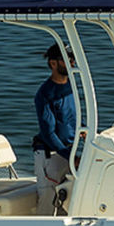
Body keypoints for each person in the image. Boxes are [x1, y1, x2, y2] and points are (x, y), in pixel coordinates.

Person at [33, 43, 76, 215]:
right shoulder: (45, 94)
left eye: (72, 59)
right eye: (66, 59)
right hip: (51, 156)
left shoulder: (70, 87)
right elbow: (48, 133)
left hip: (69, 152)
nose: (72, 62)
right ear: (53, 64)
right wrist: (71, 156)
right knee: (48, 203)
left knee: (70, 201)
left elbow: (72, 119)